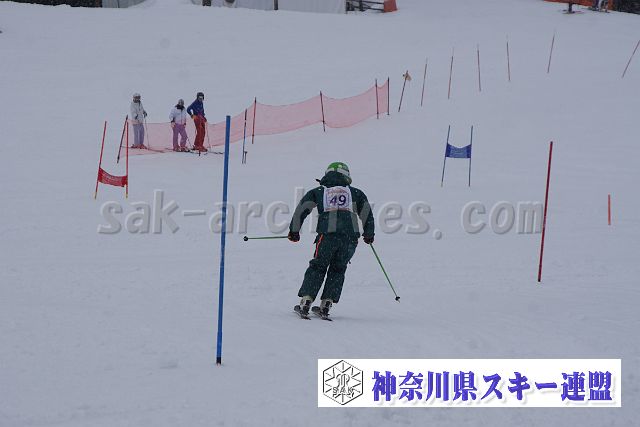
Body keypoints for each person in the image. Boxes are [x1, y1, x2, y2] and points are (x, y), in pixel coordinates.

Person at [288, 162, 375, 318]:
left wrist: (294, 231)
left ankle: (306, 300)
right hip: (350, 238)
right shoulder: (355, 193)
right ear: (346, 175)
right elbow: (367, 214)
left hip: (327, 236)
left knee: (318, 266)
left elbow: (302, 209)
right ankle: (326, 304)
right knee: (338, 268)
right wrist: (369, 234)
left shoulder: (319, 191)